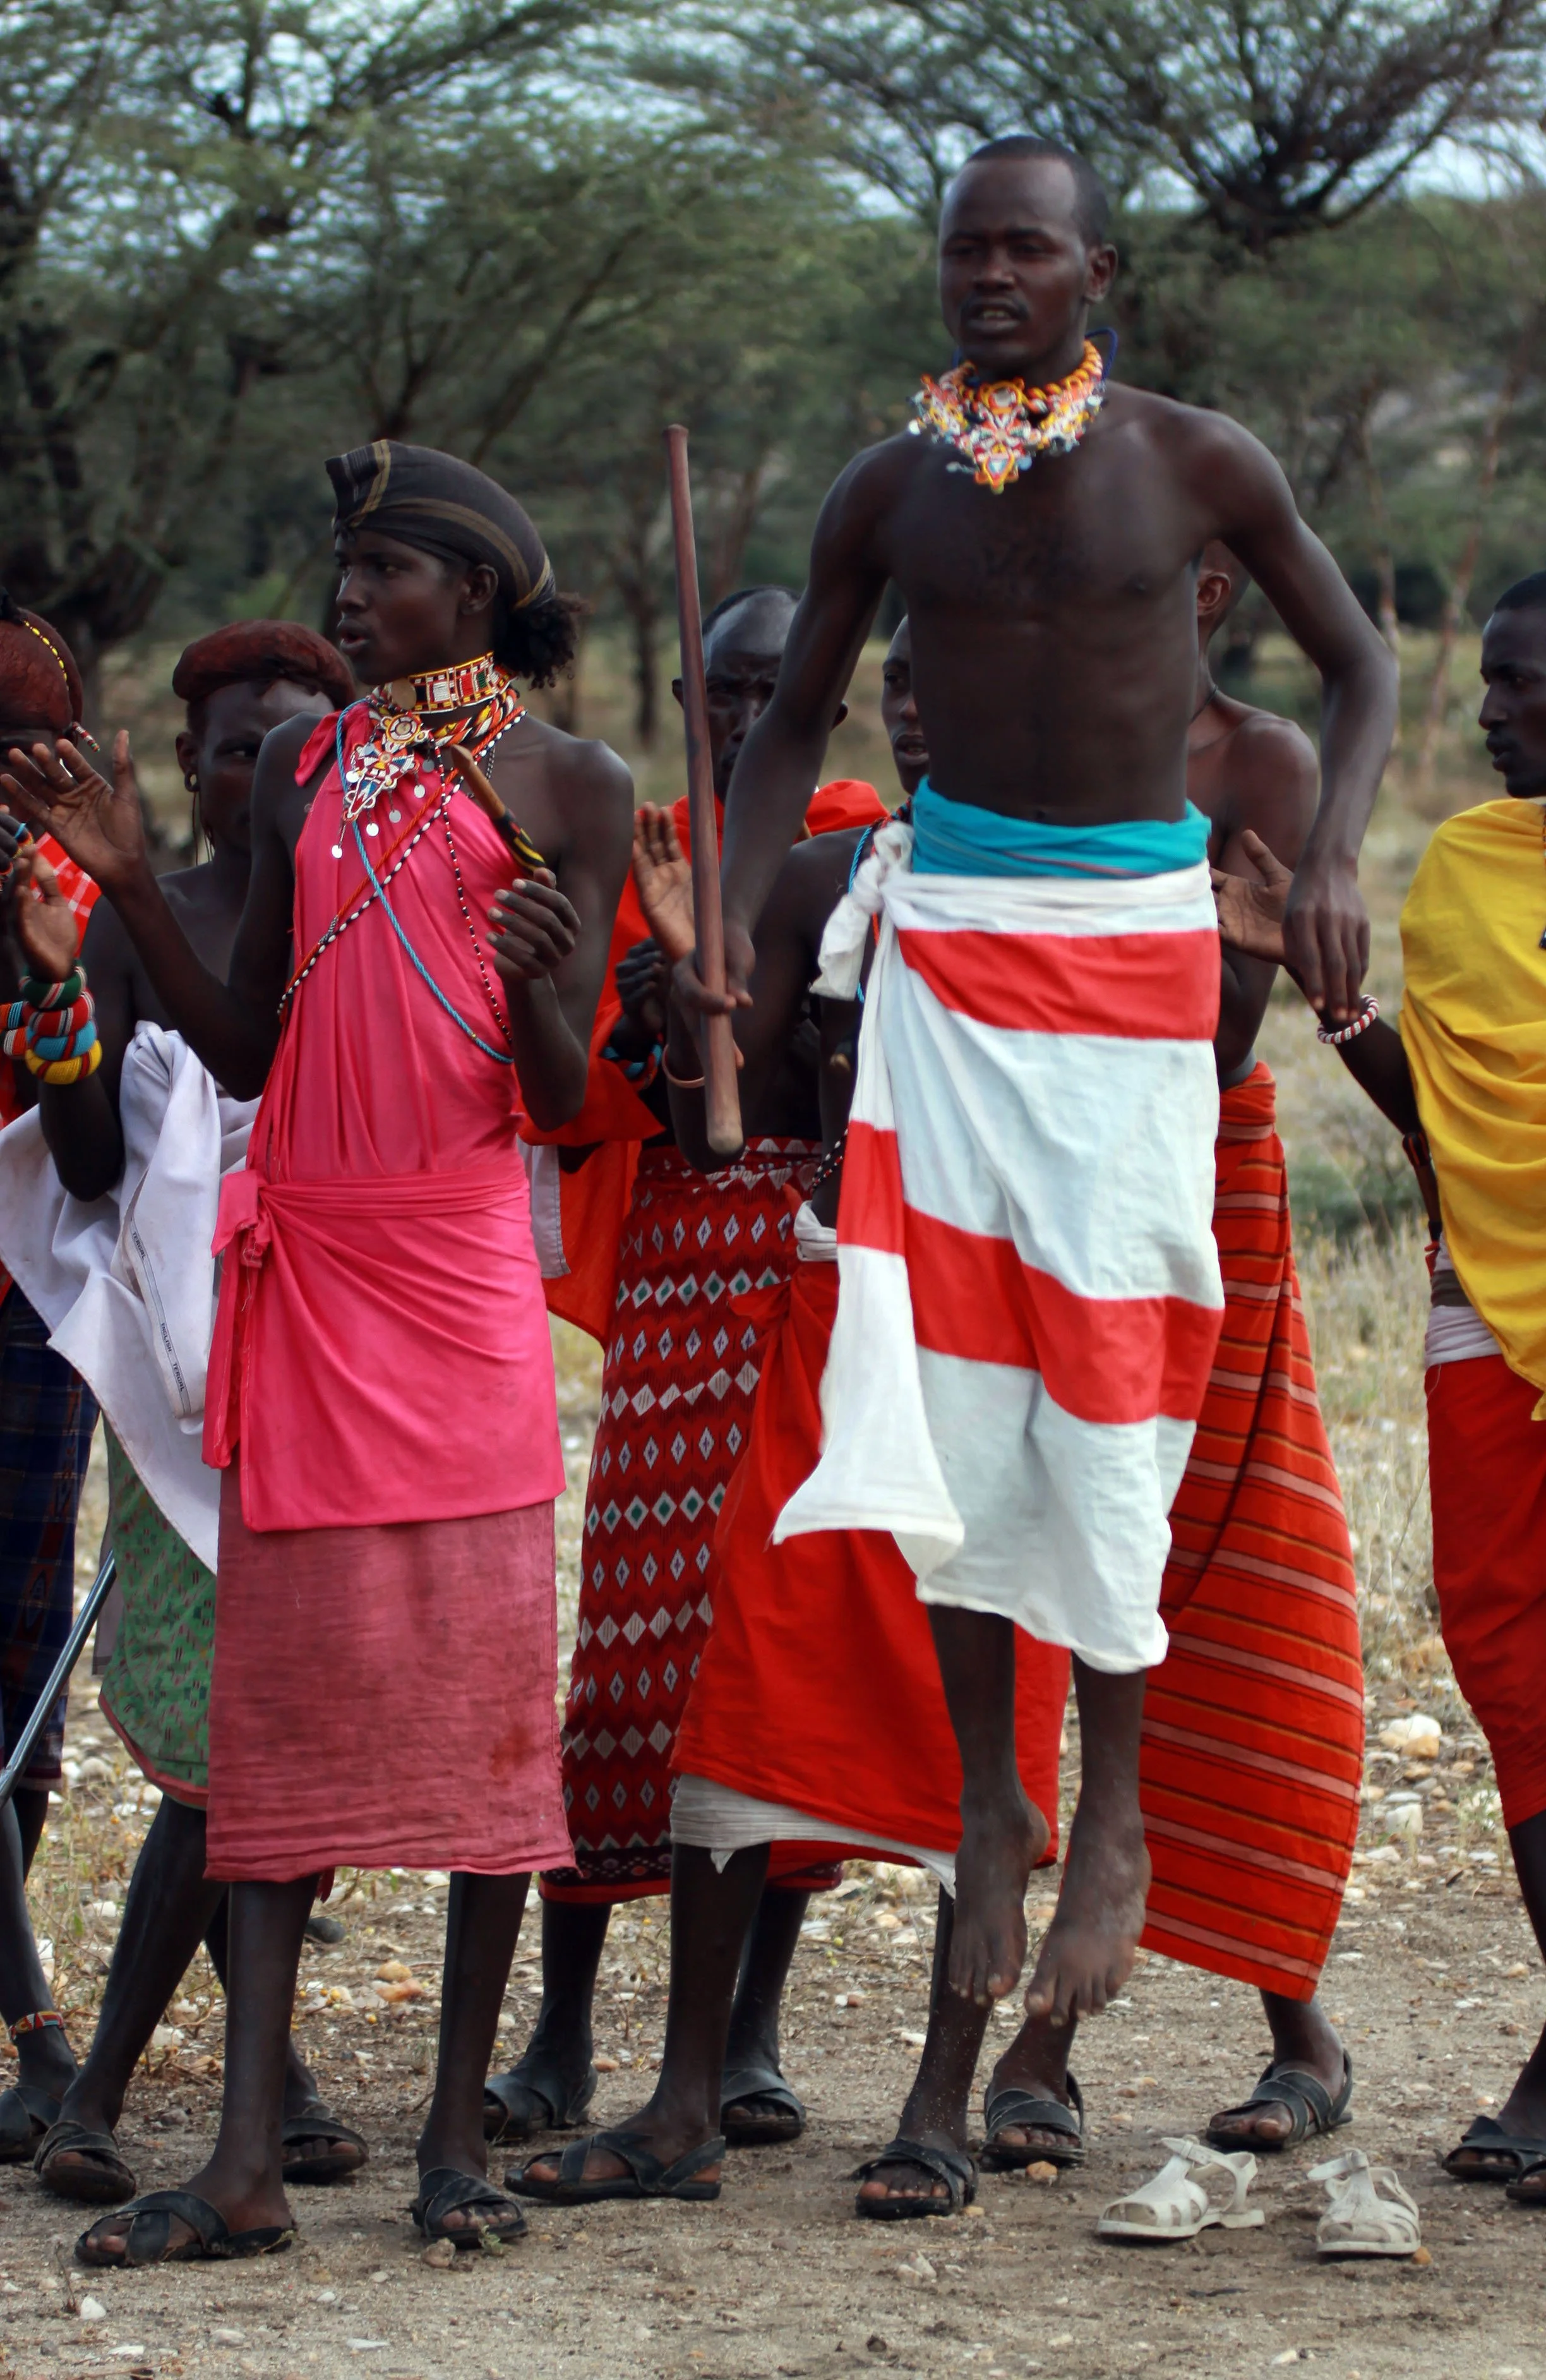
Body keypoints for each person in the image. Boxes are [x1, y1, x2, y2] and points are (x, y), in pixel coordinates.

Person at [678, 133, 1396, 2026]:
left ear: (1096, 274)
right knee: (945, 1377)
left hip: (1135, 953)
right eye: (964, 251)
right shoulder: (889, 487)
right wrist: (734, 921)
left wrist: (1333, 860)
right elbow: (791, 725)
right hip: (950, 948)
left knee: (1113, 1367)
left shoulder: (1195, 460)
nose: (991, 276)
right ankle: (992, 1800)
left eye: (1026, 249)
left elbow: (1361, 665)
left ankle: (1118, 1806)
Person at [0, 441, 635, 2265]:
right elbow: (249, 1053)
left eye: (385, 572)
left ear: (478, 593)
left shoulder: (571, 783)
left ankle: (456, 2143)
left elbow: (564, 1098)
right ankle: (246, 2165)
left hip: (458, 1283)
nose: (351, 599)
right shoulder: (304, 769)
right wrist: (130, 883)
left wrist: (537, 977)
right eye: (345, 569)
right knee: (271, 1731)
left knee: (490, 1719)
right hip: (308, 1275)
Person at [510, 616, 1067, 2216]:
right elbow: (716, 1122)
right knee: (746, 1679)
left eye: (951, 678)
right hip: (830, 1299)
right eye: (901, 689)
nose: (921, 712)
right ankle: (683, 2097)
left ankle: (938, 2106)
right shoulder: (826, 879)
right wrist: (698, 984)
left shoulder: (1084, 894)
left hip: (1009, 1314)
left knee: (988, 1710)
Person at [485, 586, 886, 2155]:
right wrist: (649, 1019)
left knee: (771, 1649)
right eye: (725, 689)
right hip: (676, 1264)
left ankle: (745, 2037)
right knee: (630, 1654)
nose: (745, 715)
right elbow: (585, 1092)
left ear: (826, 710)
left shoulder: (859, 851)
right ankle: (563, 2033)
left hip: (815, 1260)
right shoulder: (644, 843)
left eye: (777, 692)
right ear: (683, 696)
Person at [980, 547, 1363, 2175]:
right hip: (1028, 1181)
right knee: (1047, 1565)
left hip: (1196, 1181)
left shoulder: (1255, 760)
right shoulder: (1009, 748)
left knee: (1217, 1565)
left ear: (1203, 592)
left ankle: (1292, 2024)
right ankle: (1040, 2030)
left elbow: (1219, 1037)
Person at [0, 620, 377, 2206]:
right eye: (237, 752)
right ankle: (134, 2084)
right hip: (186, 1372)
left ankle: (229, 2075)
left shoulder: (379, 919)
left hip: (351, 1360)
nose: (269, 780)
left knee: (306, 1714)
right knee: (214, 1728)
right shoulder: (131, 921)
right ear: (187, 766)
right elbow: (92, 1165)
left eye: (298, 750)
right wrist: (54, 993)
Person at [1216, 567, 1546, 2209]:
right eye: (1487, 679)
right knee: (1514, 1675)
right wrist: (1326, 993)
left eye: (1522, 682)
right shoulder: (1471, 869)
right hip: (1481, 1307)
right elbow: (1443, 1123)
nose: (1489, 711)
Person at [0, 594, 100, 2165]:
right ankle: (36, 2029)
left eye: (28, 753)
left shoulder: (74, 898)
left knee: (20, 1674)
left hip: (33, 1310)